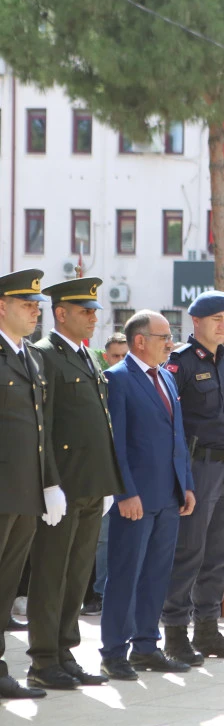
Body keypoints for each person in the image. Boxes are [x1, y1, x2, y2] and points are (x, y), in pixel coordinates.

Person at [26, 278, 124, 690]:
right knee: (52, 573)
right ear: (60, 313)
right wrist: (49, 483)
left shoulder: (88, 357)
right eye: (85, 310)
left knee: (78, 573)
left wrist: (106, 484)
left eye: (94, 310)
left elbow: (98, 425)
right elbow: (41, 427)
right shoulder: (44, 355)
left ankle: (64, 651)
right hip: (62, 486)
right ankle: (43, 658)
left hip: (90, 483)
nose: (93, 316)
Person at [101, 311, 197, 680]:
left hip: (169, 496)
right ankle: (113, 652)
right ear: (139, 340)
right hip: (135, 499)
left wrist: (185, 483)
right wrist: (125, 492)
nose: (170, 342)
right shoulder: (118, 379)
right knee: (125, 574)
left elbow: (177, 436)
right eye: (163, 336)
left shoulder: (167, 380)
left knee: (156, 575)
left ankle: (145, 647)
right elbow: (115, 444)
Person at [161, 291, 224, 665]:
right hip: (197, 468)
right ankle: (176, 633)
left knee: (218, 554)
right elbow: (168, 423)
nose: (223, 325)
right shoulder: (179, 363)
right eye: (216, 319)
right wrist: (180, 479)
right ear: (195, 322)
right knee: (189, 552)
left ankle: (208, 630)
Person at [0, 269, 60, 699]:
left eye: (37, 305)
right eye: (26, 304)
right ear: (1, 306)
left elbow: (42, 430)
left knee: (6, 582)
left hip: (25, 490)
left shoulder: (30, 357)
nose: (35, 311)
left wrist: (50, 482)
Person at [85, 332, 128, 618]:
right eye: (115, 356)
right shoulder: (99, 387)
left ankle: (126, 592)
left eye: (125, 356)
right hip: (103, 472)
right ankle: (99, 593)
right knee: (102, 539)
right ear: (105, 358)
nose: (121, 362)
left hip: (132, 475)